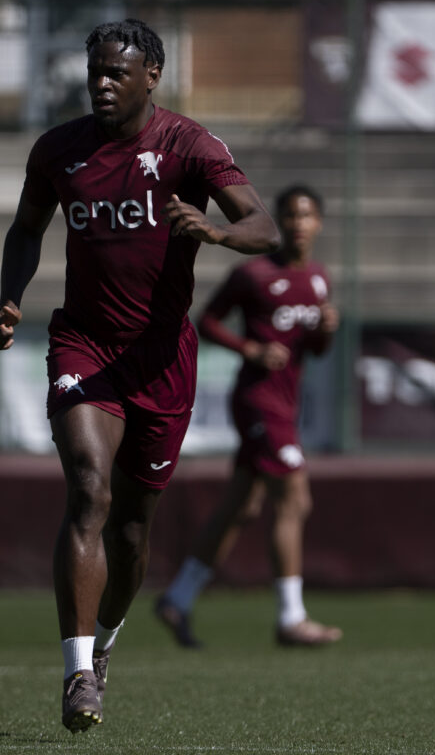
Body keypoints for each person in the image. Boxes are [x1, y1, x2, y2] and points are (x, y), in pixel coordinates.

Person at [0, 18, 280, 733]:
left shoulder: (189, 146)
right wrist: (11, 297)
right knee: (89, 487)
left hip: (162, 359)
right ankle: (77, 671)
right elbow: (27, 227)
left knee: (132, 528)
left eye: (118, 73)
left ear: (152, 75)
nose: (102, 84)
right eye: (95, 73)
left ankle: (108, 640)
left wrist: (213, 232)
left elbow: (263, 227)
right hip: (84, 344)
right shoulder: (59, 150)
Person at [154, 184, 343, 650]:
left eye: (307, 215)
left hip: (286, 402)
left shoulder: (319, 279)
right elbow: (210, 321)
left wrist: (326, 332)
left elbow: (314, 351)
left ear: (319, 223)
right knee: (295, 497)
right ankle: (291, 617)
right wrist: (251, 348)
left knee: (241, 506)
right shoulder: (253, 274)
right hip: (258, 400)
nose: (299, 224)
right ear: (279, 222)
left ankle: (177, 597)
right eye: (290, 215)